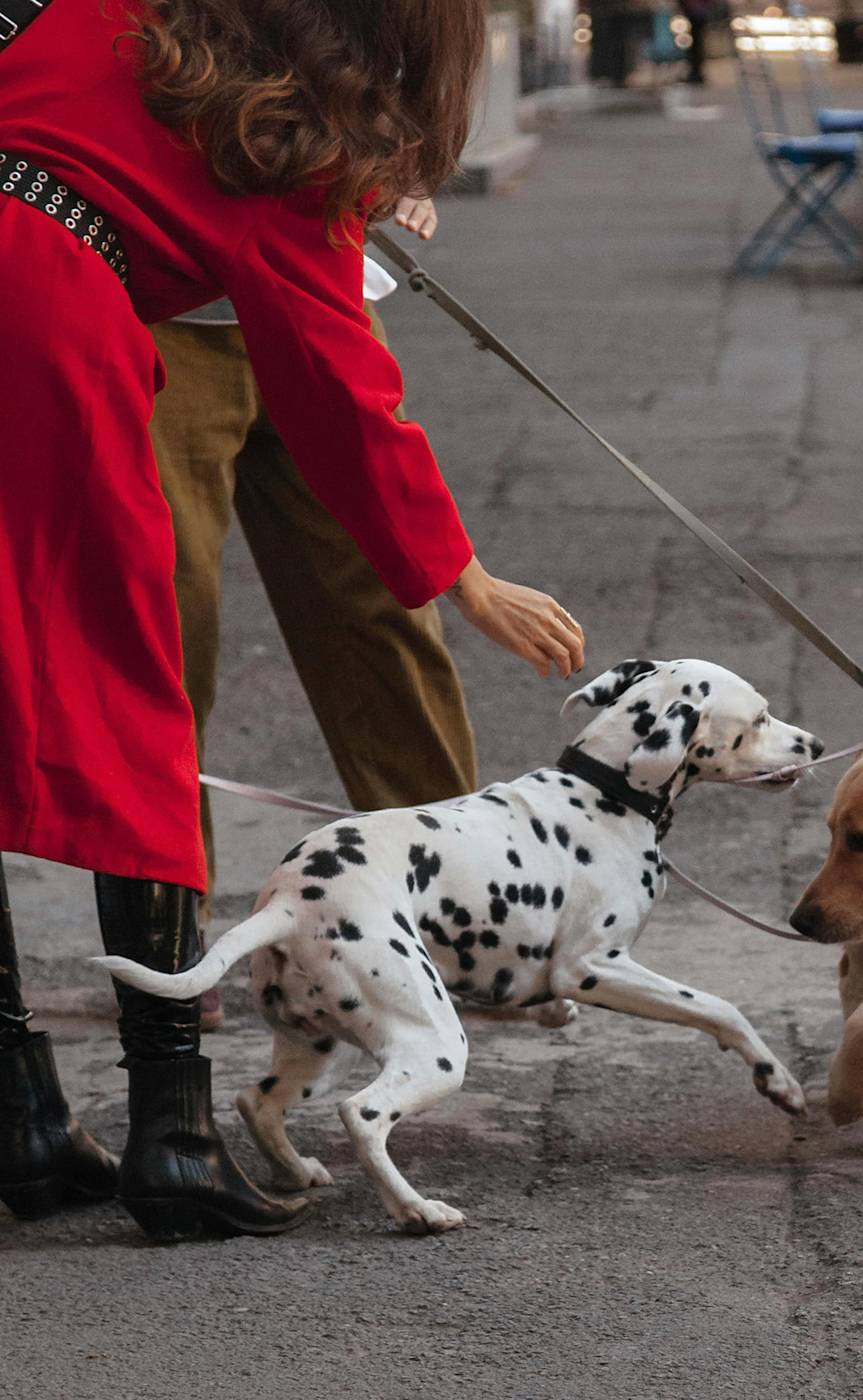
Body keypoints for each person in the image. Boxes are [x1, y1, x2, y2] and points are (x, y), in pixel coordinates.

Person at [0, 0, 585, 1241]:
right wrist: (464, 573)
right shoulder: (287, 139)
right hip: (40, 318)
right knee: (132, 701)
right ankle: (173, 1133)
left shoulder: (109, 16)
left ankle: (18, 1115)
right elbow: (344, 395)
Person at [151, 197, 476, 1033]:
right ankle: (165, 927)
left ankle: (461, 917)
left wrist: (394, 159)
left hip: (313, 285)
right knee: (168, 627)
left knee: (382, 607)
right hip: (157, 306)